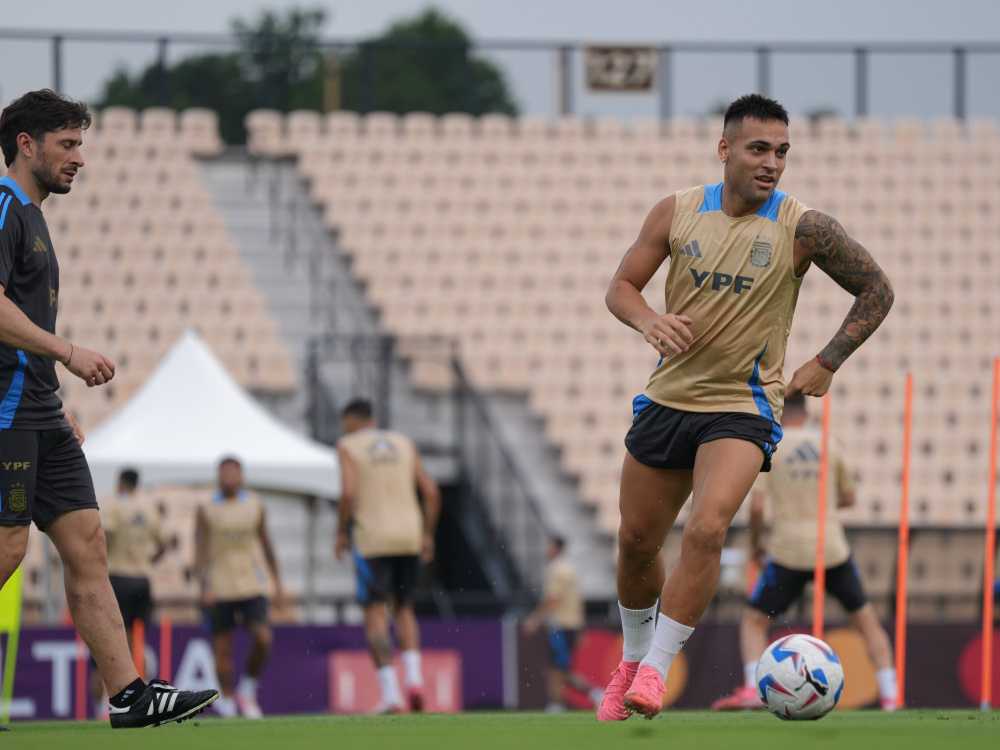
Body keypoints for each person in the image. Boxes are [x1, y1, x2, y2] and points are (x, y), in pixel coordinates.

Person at [597, 93, 894, 721]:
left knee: (707, 529)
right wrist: (649, 320)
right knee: (634, 543)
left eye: (782, 151)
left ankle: (654, 673)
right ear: (725, 148)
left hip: (744, 405)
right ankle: (629, 661)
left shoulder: (803, 225)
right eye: (759, 149)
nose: (773, 163)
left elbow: (877, 289)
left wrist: (828, 359)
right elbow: (621, 288)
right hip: (667, 399)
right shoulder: (676, 211)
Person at [0, 89, 218, 730]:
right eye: (67, 145)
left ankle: (129, 695)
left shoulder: (34, 218)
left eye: (80, 145)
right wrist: (66, 353)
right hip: (8, 410)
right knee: (8, 548)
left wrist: (53, 394)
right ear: (26, 145)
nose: (79, 159)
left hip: (38, 407)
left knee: (88, 543)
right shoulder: (4, 209)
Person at [711, 395, 898, 711]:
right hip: (832, 550)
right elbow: (849, 498)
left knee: (755, 621)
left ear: (781, 413)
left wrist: (756, 541)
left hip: (787, 553)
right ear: (807, 412)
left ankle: (753, 689)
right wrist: (819, 507)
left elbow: (756, 508)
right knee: (866, 622)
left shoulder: (772, 446)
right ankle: (891, 695)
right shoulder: (830, 444)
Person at [335, 398, 441, 714]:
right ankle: (415, 682)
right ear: (374, 417)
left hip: (373, 540)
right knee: (404, 609)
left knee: (375, 613)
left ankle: (392, 695)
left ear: (351, 421)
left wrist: (341, 531)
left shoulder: (347, 445)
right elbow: (432, 491)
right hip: (409, 535)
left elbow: (349, 492)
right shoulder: (402, 442)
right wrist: (427, 534)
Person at [195, 456, 286, 718]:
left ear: (241, 476)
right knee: (223, 648)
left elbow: (267, 545)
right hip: (220, 588)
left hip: (251, 585)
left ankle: (246, 689)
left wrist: (278, 585)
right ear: (218, 476)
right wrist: (203, 585)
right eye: (223, 473)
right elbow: (200, 549)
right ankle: (225, 700)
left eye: (232, 473)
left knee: (263, 639)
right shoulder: (207, 507)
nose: (228, 478)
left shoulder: (254, 504)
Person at [89, 467, 167, 713]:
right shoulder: (148, 509)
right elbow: (163, 544)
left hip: (118, 578)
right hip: (142, 581)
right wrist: (147, 563)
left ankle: (107, 701)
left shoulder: (114, 506)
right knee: (135, 637)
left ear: (120, 483)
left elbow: (108, 536)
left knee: (111, 637)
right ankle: (136, 695)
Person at [521, 536, 602, 712]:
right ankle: (563, 702)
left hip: (561, 625)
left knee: (558, 671)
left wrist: (535, 619)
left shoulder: (557, 569)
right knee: (554, 670)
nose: (546, 550)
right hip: (569, 624)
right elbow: (575, 599)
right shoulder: (569, 568)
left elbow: (553, 598)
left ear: (556, 548)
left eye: (548, 546)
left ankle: (583, 697)